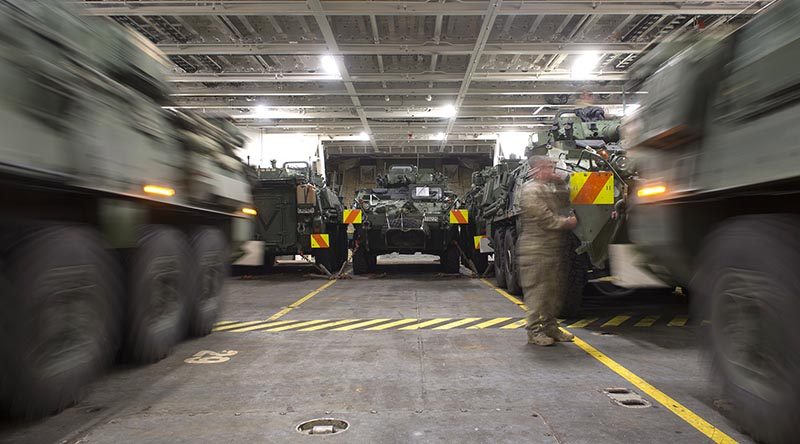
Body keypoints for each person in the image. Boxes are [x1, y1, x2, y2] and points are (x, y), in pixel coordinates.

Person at [517, 156, 578, 346]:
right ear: (538, 169)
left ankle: (551, 327)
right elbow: (545, 219)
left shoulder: (546, 188)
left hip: (551, 248)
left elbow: (565, 202)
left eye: (554, 167)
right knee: (538, 292)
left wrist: (560, 184)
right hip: (535, 250)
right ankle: (534, 331)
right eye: (549, 168)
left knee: (553, 292)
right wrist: (567, 223)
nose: (553, 171)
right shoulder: (530, 190)